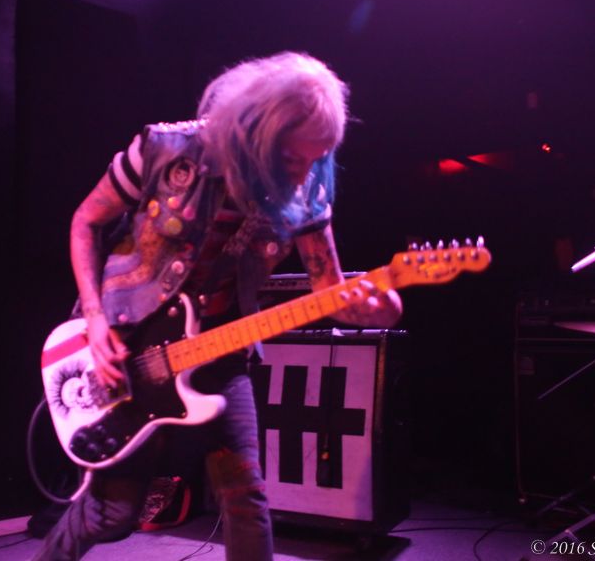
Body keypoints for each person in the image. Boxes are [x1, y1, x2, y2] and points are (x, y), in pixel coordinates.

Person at [33, 51, 403, 561]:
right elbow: (85, 221)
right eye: (292, 160)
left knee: (245, 497)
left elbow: (330, 293)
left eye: (316, 160)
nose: (304, 176)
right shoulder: (165, 149)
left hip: (221, 351)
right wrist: (95, 322)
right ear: (255, 134)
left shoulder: (307, 194)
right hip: (129, 346)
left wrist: (376, 309)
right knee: (112, 514)